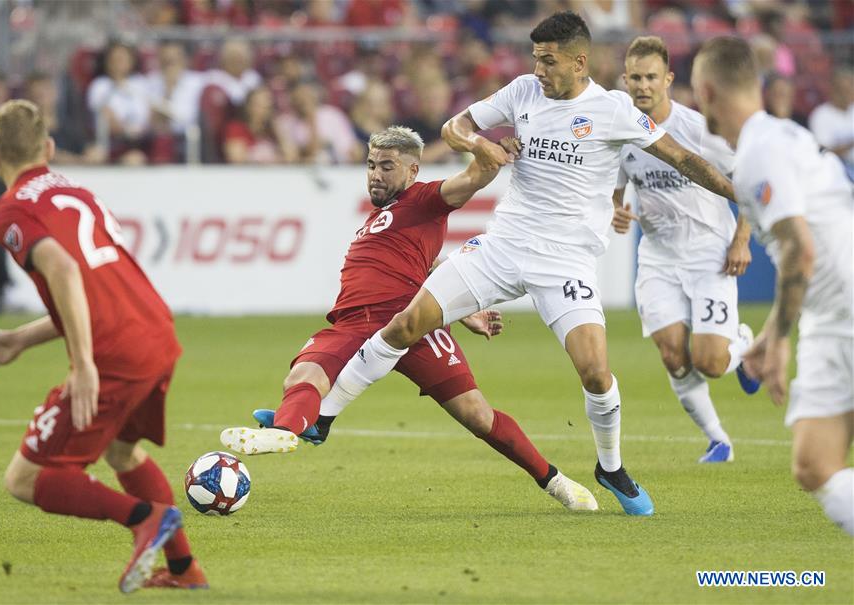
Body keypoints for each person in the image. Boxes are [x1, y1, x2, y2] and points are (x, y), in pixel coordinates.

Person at [288, 12, 741, 517]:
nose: (540, 69)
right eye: (536, 59)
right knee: (407, 323)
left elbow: (682, 158)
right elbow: (453, 126)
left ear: (579, 61)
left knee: (594, 372)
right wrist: (478, 143)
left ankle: (610, 466)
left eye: (549, 61)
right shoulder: (522, 91)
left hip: (567, 261)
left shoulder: (613, 110)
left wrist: (740, 192)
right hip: (504, 245)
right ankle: (325, 417)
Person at [220, 126, 599, 512]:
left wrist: (488, 152)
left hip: (409, 322)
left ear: (412, 171)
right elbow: (426, 263)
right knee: (302, 377)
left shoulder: (424, 198)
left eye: (387, 166)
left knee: (478, 416)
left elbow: (472, 179)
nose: (375, 174)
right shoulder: (384, 217)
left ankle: (556, 482)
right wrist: (463, 308)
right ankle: (286, 431)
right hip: (353, 321)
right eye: (371, 165)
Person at [0, 100, 207, 589]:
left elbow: (64, 271)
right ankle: (184, 570)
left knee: (28, 479)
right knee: (122, 453)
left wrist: (82, 364)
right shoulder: (78, 192)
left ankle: (144, 519)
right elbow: (92, 290)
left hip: (115, 351)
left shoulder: (7, 211)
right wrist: (23, 339)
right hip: (155, 330)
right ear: (49, 148)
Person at [691, 37, 853, 535]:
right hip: (831, 315)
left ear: (710, 91)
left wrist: (781, 342)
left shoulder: (760, 151)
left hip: (845, 312)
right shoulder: (779, 137)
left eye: (698, 94)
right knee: (813, 464)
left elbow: (801, 250)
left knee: (816, 465)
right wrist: (769, 334)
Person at [611, 36, 755, 463]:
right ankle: (718, 440)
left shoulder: (699, 129)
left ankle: (745, 345)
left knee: (709, 361)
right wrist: (616, 212)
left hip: (711, 253)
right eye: (635, 77)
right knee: (674, 355)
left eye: (651, 77)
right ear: (625, 79)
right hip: (657, 257)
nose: (642, 85)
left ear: (668, 79)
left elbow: (747, 180)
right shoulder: (622, 132)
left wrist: (741, 238)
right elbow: (615, 192)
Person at [223, 87, 297, 164]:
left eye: (268, 106)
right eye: (259, 105)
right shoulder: (236, 128)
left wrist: (279, 131)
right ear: (248, 106)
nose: (264, 109)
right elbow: (236, 159)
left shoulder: (273, 130)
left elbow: (292, 157)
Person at [808, 67, 854, 180]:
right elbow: (824, 153)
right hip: (836, 172)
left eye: (850, 88)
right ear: (833, 89)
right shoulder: (820, 115)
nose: (847, 93)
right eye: (842, 89)